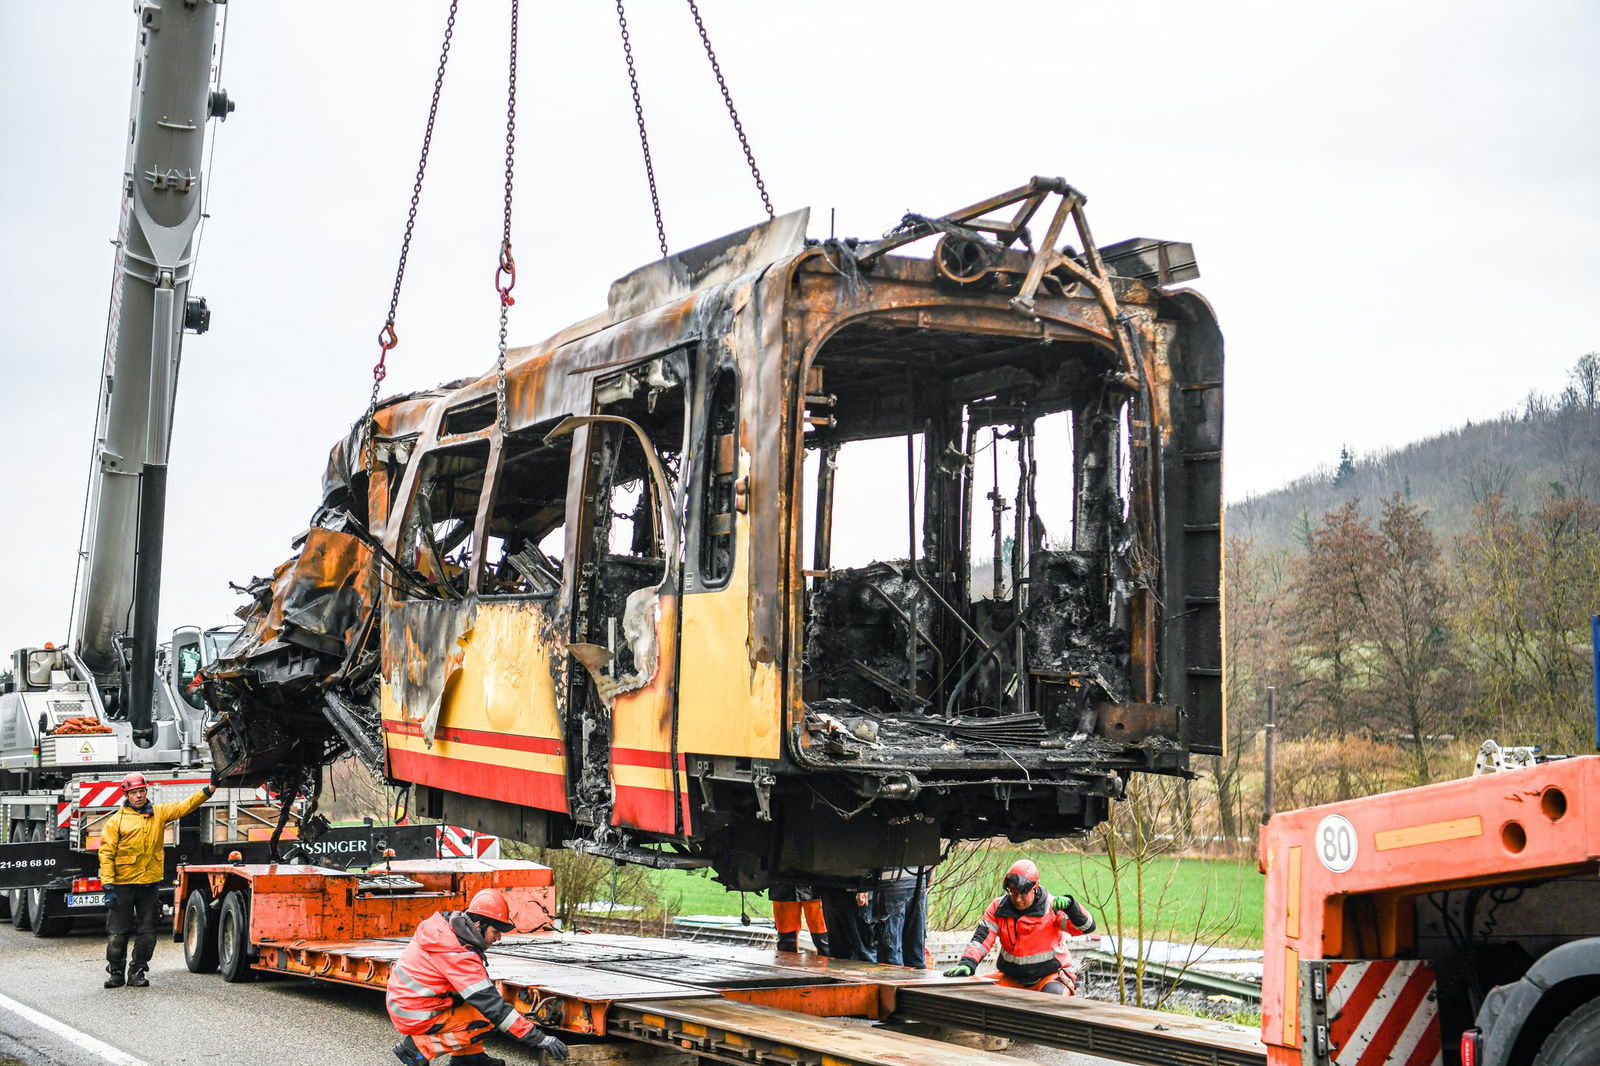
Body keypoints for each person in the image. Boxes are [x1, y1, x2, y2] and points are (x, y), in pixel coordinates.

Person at [388, 887, 568, 1065]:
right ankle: (418, 1049)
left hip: (406, 1003)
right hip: (416, 1014)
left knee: (476, 1002)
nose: (498, 938)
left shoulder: (444, 930)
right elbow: (493, 1007)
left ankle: (468, 1059)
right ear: (478, 925)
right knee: (488, 1016)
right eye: (495, 931)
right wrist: (539, 1039)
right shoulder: (458, 954)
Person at [99, 771, 215, 988]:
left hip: (149, 884)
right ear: (126, 794)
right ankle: (116, 972)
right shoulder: (116, 821)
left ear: (146, 791)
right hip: (123, 885)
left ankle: (137, 972)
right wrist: (108, 885)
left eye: (141, 791)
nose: (139, 796)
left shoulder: (159, 813)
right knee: (117, 933)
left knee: (147, 933)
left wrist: (208, 791)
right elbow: (106, 854)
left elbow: (184, 806)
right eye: (134, 793)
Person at [942, 859, 1094, 995]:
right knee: (972, 992)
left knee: (1051, 1002)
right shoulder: (998, 907)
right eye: (1013, 893)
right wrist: (968, 963)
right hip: (1011, 978)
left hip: (1049, 978)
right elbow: (982, 938)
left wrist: (1072, 907)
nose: (1018, 899)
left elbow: (1087, 927)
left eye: (1023, 893)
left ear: (1035, 887)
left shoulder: (1052, 907)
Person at [873, 867, 929, 968]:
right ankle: (917, 981)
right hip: (919, 881)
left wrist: (863, 886)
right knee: (915, 951)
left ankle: (894, 980)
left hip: (890, 880)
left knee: (891, 953)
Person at [770, 881, 830, 955]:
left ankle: (826, 965)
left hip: (815, 887)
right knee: (786, 940)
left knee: (823, 940)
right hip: (782, 887)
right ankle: (787, 965)